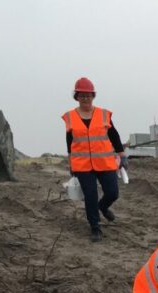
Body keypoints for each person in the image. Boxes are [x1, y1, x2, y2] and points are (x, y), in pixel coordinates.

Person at [62, 77, 123, 242]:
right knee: (90, 195)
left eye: (88, 95)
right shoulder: (71, 117)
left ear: (93, 96)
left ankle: (102, 207)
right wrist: (71, 162)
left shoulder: (103, 114)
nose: (85, 98)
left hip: (104, 162)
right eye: (82, 95)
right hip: (82, 165)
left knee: (112, 192)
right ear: (77, 97)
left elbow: (114, 135)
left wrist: (121, 154)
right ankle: (95, 227)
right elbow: (70, 142)